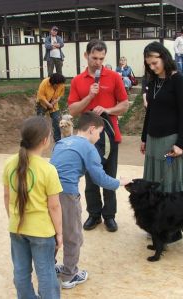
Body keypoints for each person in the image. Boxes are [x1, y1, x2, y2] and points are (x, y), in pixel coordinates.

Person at [51, 112, 131, 289]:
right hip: (67, 195)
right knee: (73, 236)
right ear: (92, 129)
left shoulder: (61, 142)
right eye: (100, 133)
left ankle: (49, 267)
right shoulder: (89, 148)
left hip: (47, 193)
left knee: (53, 231)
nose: (100, 137)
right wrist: (120, 182)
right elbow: (100, 179)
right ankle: (69, 275)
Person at [68, 39, 129, 232]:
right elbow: (72, 109)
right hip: (87, 138)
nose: (98, 62)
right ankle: (94, 215)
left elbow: (125, 105)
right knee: (91, 177)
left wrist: (109, 109)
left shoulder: (114, 77)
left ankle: (109, 216)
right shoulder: (78, 80)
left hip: (110, 135)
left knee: (109, 175)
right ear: (86, 56)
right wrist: (89, 97)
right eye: (94, 58)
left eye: (102, 58)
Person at [3, 116, 62, 299]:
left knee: (21, 271)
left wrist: (12, 217)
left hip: (17, 227)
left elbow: (6, 196)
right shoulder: (48, 169)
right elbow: (54, 206)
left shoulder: (9, 163)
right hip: (42, 231)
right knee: (45, 273)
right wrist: (59, 233)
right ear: (45, 140)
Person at [141, 41, 183, 244]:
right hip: (153, 141)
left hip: (171, 141)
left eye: (155, 62)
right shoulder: (153, 82)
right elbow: (150, 112)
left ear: (164, 57)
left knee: (170, 184)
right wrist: (144, 137)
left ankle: (174, 228)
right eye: (149, 64)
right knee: (154, 183)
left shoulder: (178, 81)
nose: (152, 67)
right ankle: (158, 224)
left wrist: (182, 143)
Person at [36, 73, 65, 142]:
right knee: (40, 121)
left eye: (60, 84)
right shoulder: (44, 83)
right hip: (42, 103)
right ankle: (39, 138)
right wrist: (48, 104)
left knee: (57, 120)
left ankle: (57, 139)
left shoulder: (61, 85)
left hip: (54, 104)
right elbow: (41, 96)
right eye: (58, 85)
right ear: (54, 83)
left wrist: (54, 102)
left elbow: (60, 95)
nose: (60, 86)